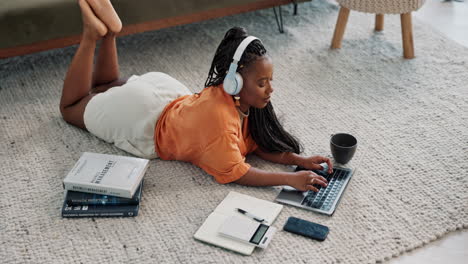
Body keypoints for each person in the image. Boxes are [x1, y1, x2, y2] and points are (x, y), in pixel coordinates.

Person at [60, 0, 332, 192]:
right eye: (262, 83)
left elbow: (255, 143)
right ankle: (91, 36)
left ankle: (110, 35)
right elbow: (238, 172)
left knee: (106, 85)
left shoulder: (231, 97)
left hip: (166, 93)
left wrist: (298, 161)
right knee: (72, 107)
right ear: (235, 81)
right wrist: (287, 180)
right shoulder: (221, 126)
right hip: (143, 120)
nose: (270, 90)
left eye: (269, 81)